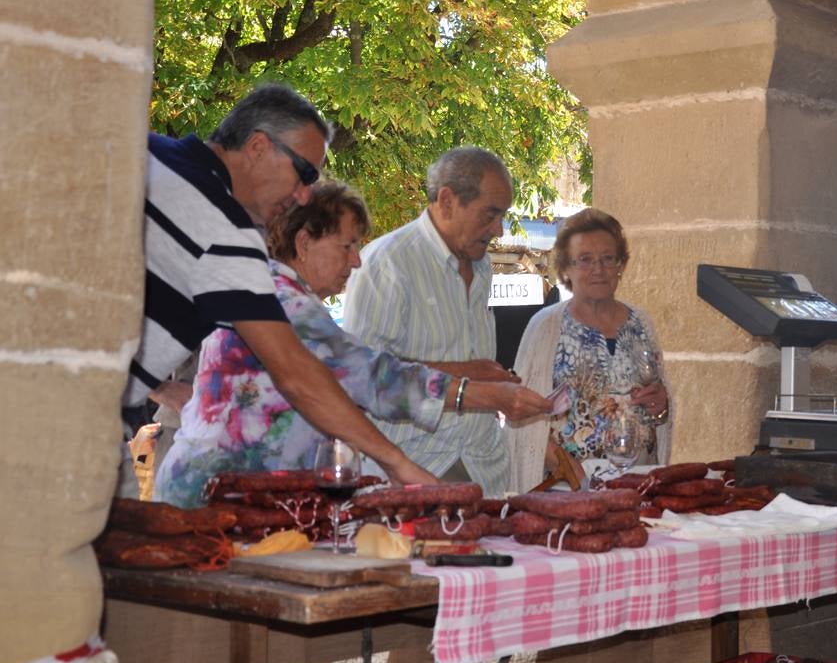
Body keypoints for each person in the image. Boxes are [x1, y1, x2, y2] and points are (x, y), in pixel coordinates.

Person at [155, 182, 550, 507]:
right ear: (304, 242)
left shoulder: (275, 293)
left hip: (239, 498)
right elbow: (372, 376)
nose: (357, 261)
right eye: (347, 246)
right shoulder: (282, 301)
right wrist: (480, 396)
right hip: (213, 503)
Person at [126, 82, 437, 488]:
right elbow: (296, 374)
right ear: (257, 147)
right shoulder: (228, 230)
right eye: (304, 172)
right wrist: (398, 464)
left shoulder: (145, 154)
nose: (304, 194)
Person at [344, 147, 526, 496]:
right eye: (490, 215)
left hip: (484, 472)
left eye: (502, 216)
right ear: (447, 201)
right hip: (412, 473)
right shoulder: (388, 264)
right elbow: (362, 377)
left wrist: (495, 384)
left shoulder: (482, 264)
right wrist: (472, 375)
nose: (499, 230)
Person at [507, 208, 672, 495]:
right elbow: (521, 416)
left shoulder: (641, 322)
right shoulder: (546, 327)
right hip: (565, 490)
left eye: (608, 259)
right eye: (585, 260)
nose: (598, 269)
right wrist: (571, 471)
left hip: (637, 488)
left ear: (621, 264)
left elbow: (660, 405)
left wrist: (662, 407)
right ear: (565, 268)